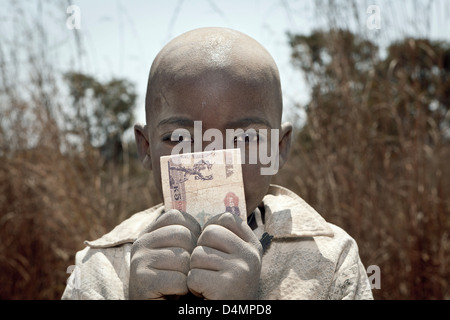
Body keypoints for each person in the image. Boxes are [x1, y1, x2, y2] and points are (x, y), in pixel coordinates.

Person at [62, 27, 373, 300]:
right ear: (146, 149)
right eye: (180, 138)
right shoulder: (99, 268)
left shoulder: (330, 262)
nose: (212, 164)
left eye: (246, 139)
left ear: (278, 149)